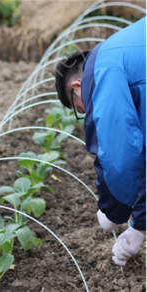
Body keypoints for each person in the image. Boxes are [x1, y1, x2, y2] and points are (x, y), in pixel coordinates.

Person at [54, 17, 146, 266]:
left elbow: (121, 157)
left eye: (79, 108)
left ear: (77, 86)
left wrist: (118, 213)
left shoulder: (103, 72)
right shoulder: (117, 52)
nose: (86, 110)